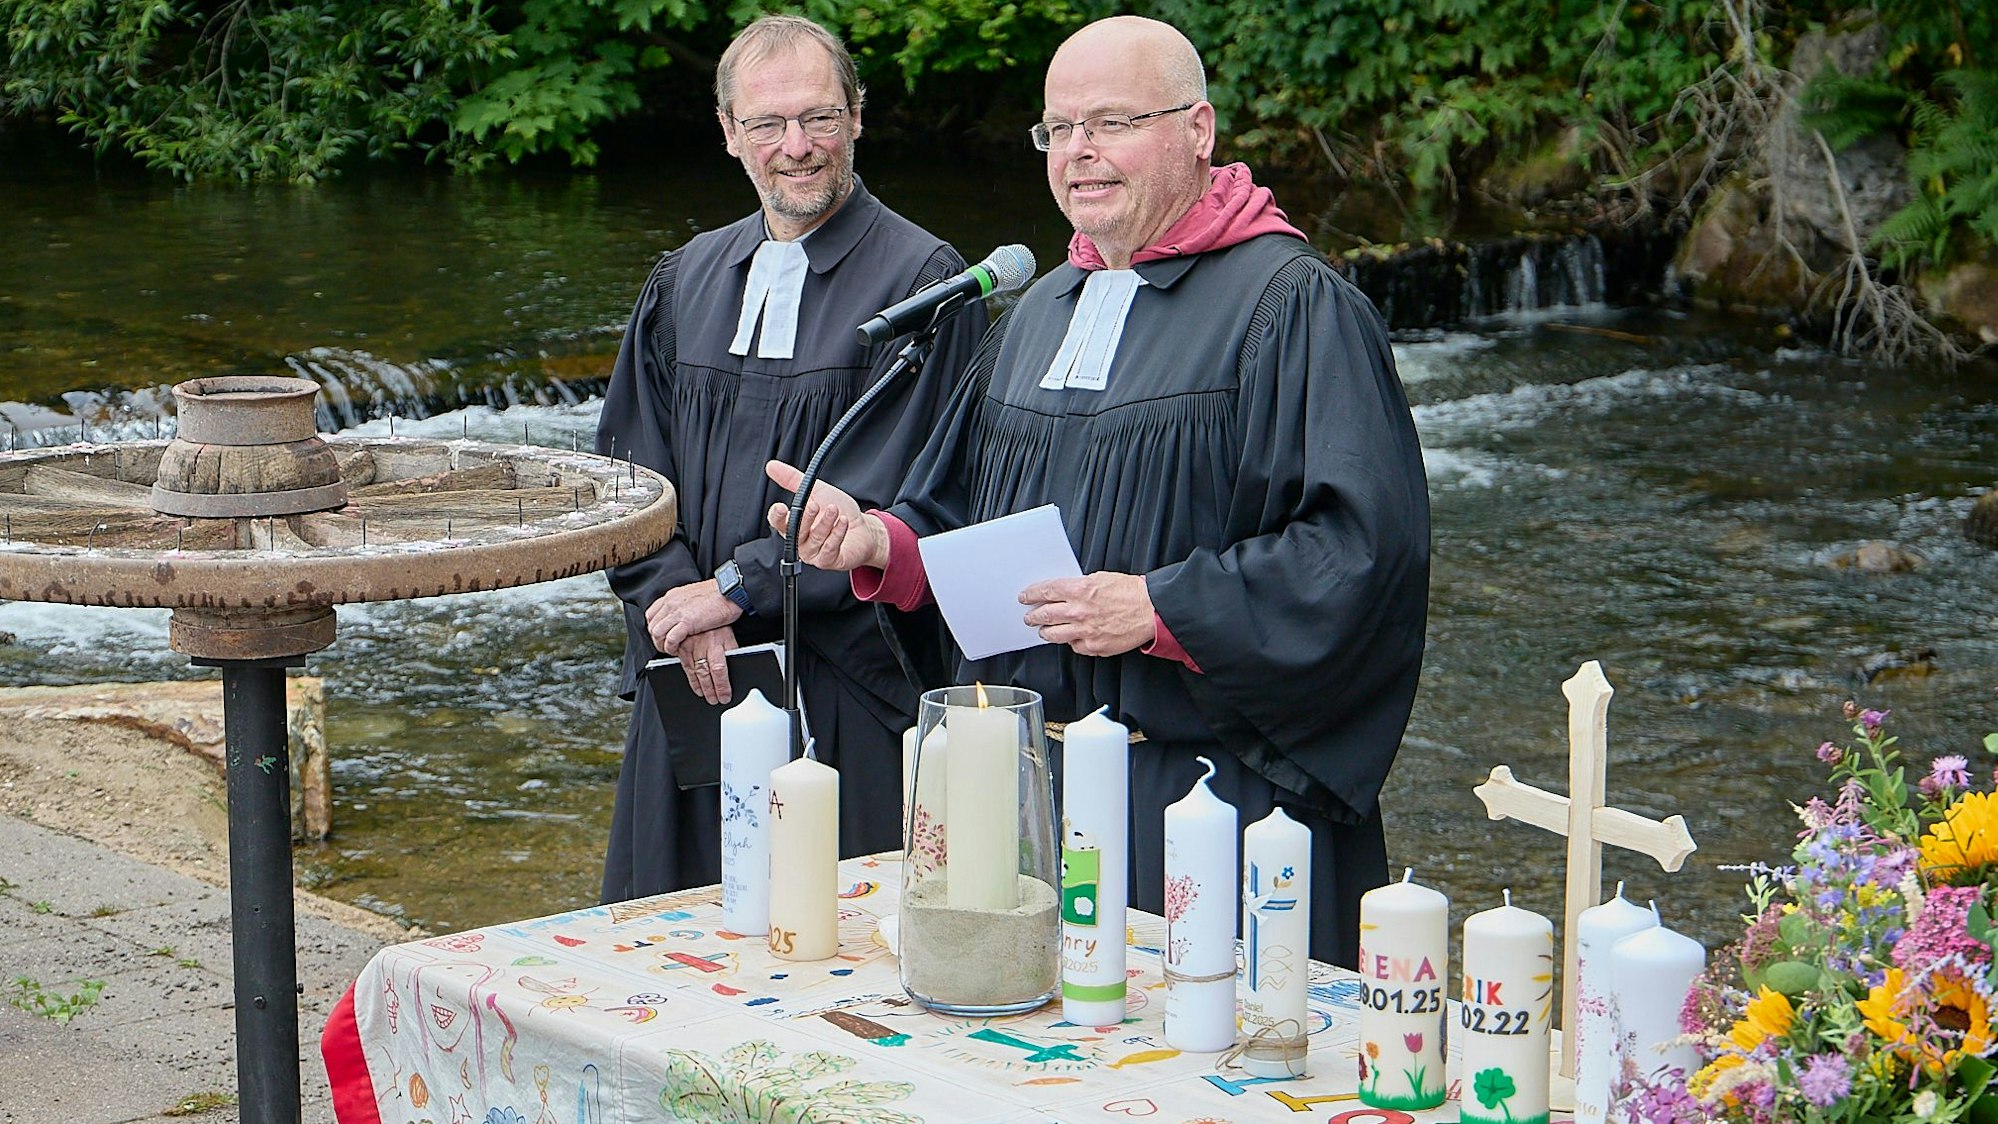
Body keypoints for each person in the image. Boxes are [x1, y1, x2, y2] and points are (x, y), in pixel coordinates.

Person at [766, 15, 1429, 967]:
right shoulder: (1038, 312)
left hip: (1205, 801)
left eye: (1113, 122)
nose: (1080, 151)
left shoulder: (1291, 304)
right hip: (1034, 795)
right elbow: (964, 523)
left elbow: (1362, 551)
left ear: (1197, 130)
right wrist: (880, 544)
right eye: (1059, 128)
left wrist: (1162, 608)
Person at [596, 14, 985, 901]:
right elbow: (627, 474)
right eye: (767, 123)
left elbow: (911, 494)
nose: (796, 146)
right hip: (691, 671)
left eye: (818, 118)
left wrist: (738, 588)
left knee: (833, 941)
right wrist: (680, 603)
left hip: (845, 687)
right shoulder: (685, 279)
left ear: (858, 116)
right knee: (672, 942)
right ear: (730, 132)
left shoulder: (926, 285)